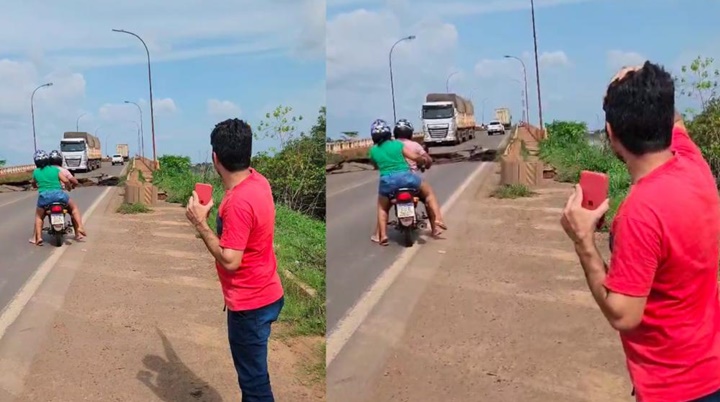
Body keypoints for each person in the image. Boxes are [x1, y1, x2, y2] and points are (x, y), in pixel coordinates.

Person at [560, 62, 720, 401]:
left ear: (610, 133)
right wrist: (645, 88)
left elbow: (624, 314)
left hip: (674, 387)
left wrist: (584, 242)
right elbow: (676, 122)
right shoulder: (694, 165)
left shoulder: (639, 213)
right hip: (712, 368)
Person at [185, 118, 284, 402]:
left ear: (215, 158)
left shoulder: (238, 202)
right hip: (269, 292)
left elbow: (230, 261)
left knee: (254, 385)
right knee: (253, 375)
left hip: (249, 304)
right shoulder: (258, 181)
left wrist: (201, 224)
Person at [367, 119, 426, 246]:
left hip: (387, 182)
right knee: (427, 193)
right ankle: (436, 221)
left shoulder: (373, 150)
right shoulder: (397, 145)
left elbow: (375, 165)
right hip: (407, 178)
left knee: (382, 207)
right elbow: (414, 157)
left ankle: (382, 235)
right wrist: (422, 161)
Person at [391, 119, 447, 236]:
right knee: (428, 197)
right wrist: (427, 163)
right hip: (412, 181)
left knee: (384, 204)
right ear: (410, 133)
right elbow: (428, 160)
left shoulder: (391, 146)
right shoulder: (415, 145)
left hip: (394, 182)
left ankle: (380, 232)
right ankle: (435, 227)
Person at [29, 150, 72, 246]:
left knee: (39, 217)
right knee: (72, 207)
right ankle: (78, 229)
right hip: (59, 196)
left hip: (44, 198)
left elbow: (33, 183)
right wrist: (69, 187)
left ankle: (39, 237)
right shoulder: (55, 170)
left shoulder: (36, 172)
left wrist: (35, 185)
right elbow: (66, 180)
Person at [46, 150, 86, 239]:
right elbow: (75, 181)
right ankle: (78, 232)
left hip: (48, 197)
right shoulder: (64, 171)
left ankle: (37, 236)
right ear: (60, 160)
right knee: (73, 210)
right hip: (61, 196)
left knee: (40, 215)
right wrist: (72, 187)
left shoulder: (46, 171)